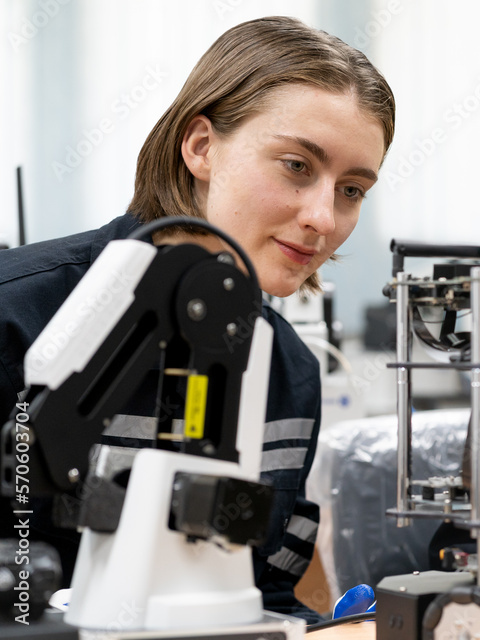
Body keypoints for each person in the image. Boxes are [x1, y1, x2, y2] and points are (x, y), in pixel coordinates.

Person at [0, 16, 394, 621]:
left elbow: (267, 597)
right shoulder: (17, 314)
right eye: (296, 165)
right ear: (201, 147)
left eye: (351, 190)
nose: (322, 216)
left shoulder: (287, 371)